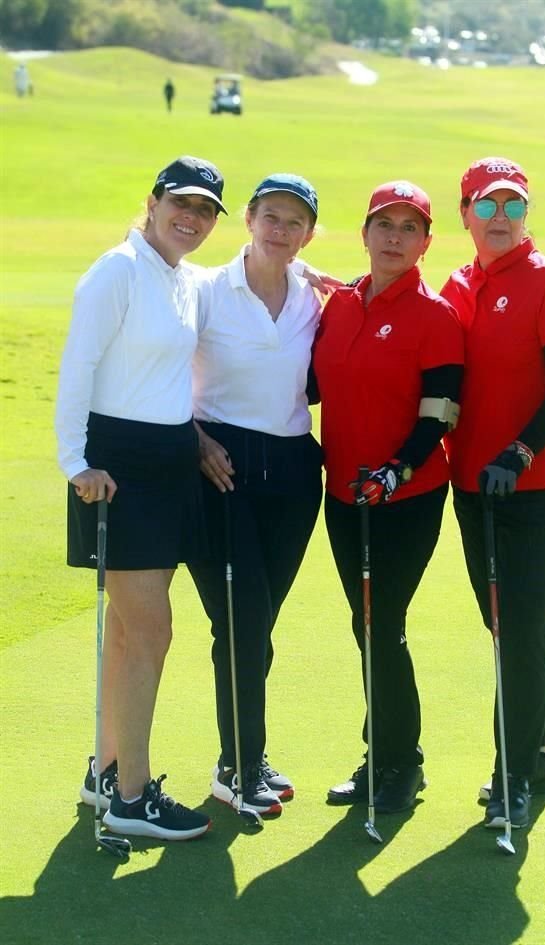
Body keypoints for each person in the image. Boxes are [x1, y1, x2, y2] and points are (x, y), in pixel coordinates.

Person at [55, 155, 228, 841]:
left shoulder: (182, 278)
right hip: (115, 469)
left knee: (131, 631)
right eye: (180, 204)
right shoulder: (116, 271)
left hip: (166, 465)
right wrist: (77, 462)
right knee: (152, 629)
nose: (191, 217)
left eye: (206, 209)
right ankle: (133, 794)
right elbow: (78, 367)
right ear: (152, 202)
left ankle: (106, 771)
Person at [440, 156, 545, 830]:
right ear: (465, 213)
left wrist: (520, 451)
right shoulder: (457, 285)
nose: (501, 218)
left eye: (513, 205)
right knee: (510, 624)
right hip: (474, 481)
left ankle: (513, 778)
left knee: (521, 626)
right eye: (487, 205)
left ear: (526, 213)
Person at [313, 181, 464, 814]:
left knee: (383, 625)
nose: (395, 237)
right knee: (364, 623)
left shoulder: (436, 317)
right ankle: (382, 755)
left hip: (406, 497)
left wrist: (396, 474)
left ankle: (403, 763)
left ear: (426, 242)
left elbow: (440, 414)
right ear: (365, 233)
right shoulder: (339, 304)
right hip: (343, 494)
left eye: (409, 227)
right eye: (385, 224)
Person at [188, 173, 324, 818]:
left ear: (309, 234)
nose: (281, 228)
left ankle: (244, 755)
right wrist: (194, 439)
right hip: (221, 467)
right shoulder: (205, 290)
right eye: (271, 215)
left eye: (294, 221)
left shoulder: (315, 297)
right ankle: (239, 766)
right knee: (240, 621)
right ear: (248, 218)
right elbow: (156, 369)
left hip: (296, 472)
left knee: (258, 622)